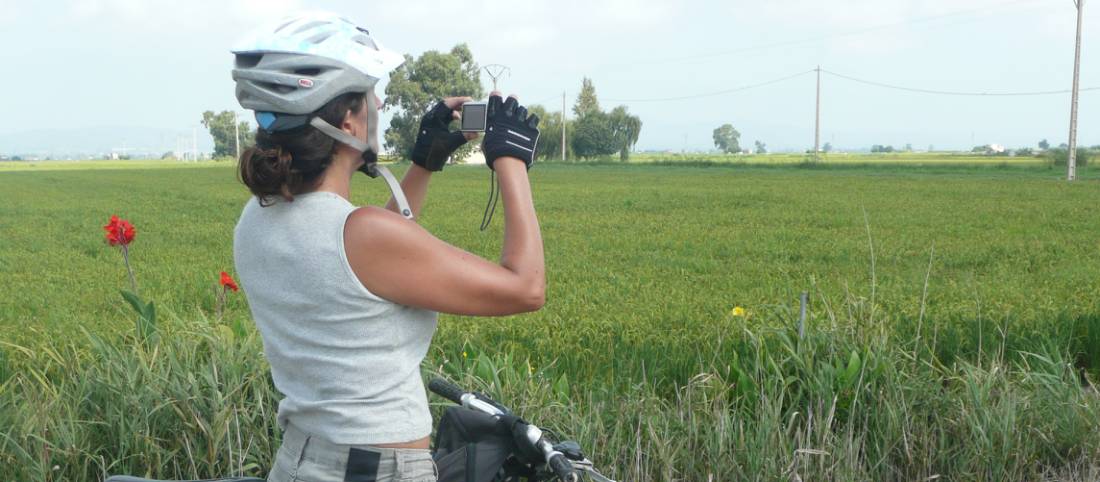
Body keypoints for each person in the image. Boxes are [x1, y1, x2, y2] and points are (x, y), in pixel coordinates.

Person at [230, 12, 545, 482]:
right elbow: (526, 289)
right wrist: (511, 161)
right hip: (378, 471)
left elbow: (362, 267)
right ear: (350, 122)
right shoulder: (362, 235)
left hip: (300, 463)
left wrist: (424, 164)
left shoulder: (259, 216)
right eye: (369, 94)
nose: (379, 101)